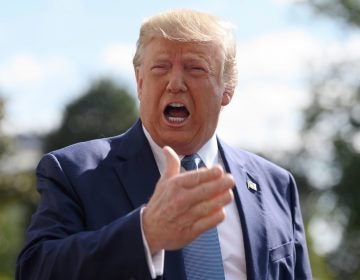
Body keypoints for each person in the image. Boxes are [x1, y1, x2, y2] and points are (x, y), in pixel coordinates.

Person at [16, 9, 312, 280]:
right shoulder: (73, 172)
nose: (175, 83)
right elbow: (35, 270)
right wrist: (145, 233)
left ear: (227, 89)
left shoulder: (276, 185)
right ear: (140, 81)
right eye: (160, 68)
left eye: (195, 68)